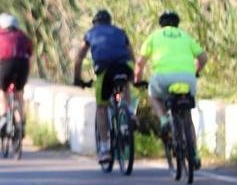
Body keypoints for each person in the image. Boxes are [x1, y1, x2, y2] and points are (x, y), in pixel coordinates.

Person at [133, 10, 208, 168]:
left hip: (163, 78)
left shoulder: (154, 36)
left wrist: (137, 80)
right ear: (177, 23)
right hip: (188, 79)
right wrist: (196, 71)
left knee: (153, 94)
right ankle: (193, 153)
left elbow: (140, 63)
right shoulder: (185, 36)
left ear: (161, 24)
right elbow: (203, 57)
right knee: (187, 118)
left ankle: (164, 119)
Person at [72, 9, 135, 163]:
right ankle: (128, 114)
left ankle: (105, 149)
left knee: (101, 108)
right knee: (125, 84)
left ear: (95, 23)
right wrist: (133, 77)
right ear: (110, 22)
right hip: (123, 67)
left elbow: (79, 58)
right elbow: (131, 54)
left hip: (105, 70)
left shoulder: (90, 33)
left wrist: (77, 79)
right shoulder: (120, 32)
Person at [0, 12, 33, 135]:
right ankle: (20, 124)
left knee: (1, 91)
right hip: (23, 65)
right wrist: (26, 75)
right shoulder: (23, 36)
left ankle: (4, 117)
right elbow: (30, 57)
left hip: (6, 64)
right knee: (19, 94)